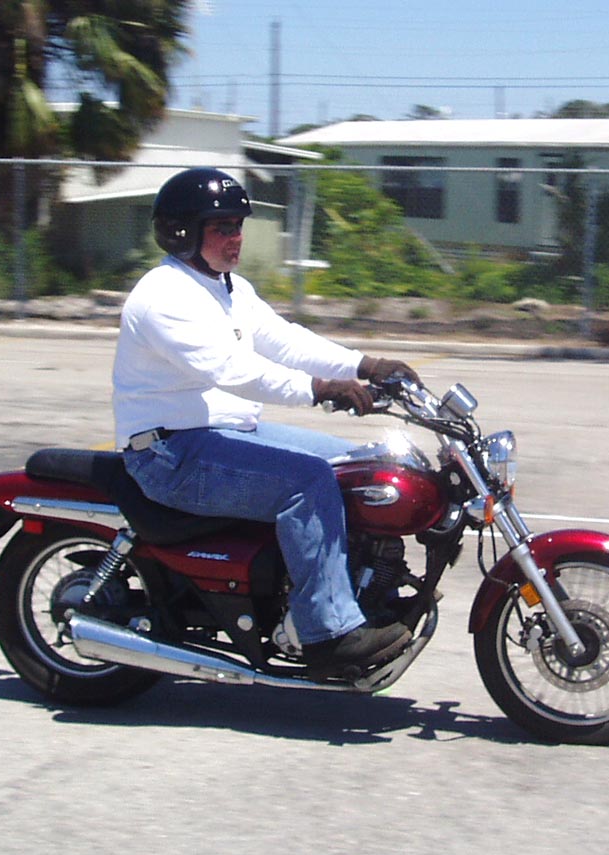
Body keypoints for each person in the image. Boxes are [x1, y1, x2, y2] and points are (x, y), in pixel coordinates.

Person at [112, 166, 421, 676]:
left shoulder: (228, 287)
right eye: (222, 227)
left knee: (358, 465)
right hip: (169, 453)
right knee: (308, 481)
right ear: (183, 231)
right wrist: (321, 390)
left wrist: (365, 365)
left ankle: (362, 589)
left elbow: (285, 340)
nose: (236, 237)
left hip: (226, 434)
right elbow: (231, 370)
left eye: (238, 226)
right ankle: (328, 633)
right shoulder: (163, 296)